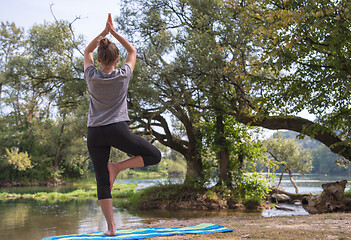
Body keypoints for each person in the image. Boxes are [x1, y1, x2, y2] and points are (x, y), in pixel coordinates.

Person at [83, 13, 161, 236]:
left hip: (95, 133)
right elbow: (133, 52)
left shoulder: (91, 76)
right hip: (117, 130)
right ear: (117, 60)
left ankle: (111, 228)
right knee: (154, 155)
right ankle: (117, 167)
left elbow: (86, 51)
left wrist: (103, 35)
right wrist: (114, 33)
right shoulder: (124, 75)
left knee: (101, 181)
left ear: (99, 59)